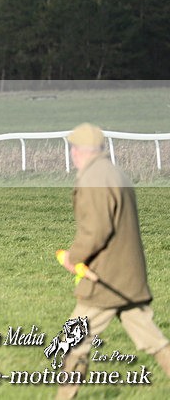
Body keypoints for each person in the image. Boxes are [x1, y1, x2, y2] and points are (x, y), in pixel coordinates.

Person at [55, 123, 170, 399]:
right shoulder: (114, 171)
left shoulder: (94, 177)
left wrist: (74, 257)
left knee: (72, 343)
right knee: (155, 342)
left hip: (106, 280)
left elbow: (96, 229)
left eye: (72, 148)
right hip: (128, 277)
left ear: (78, 151)